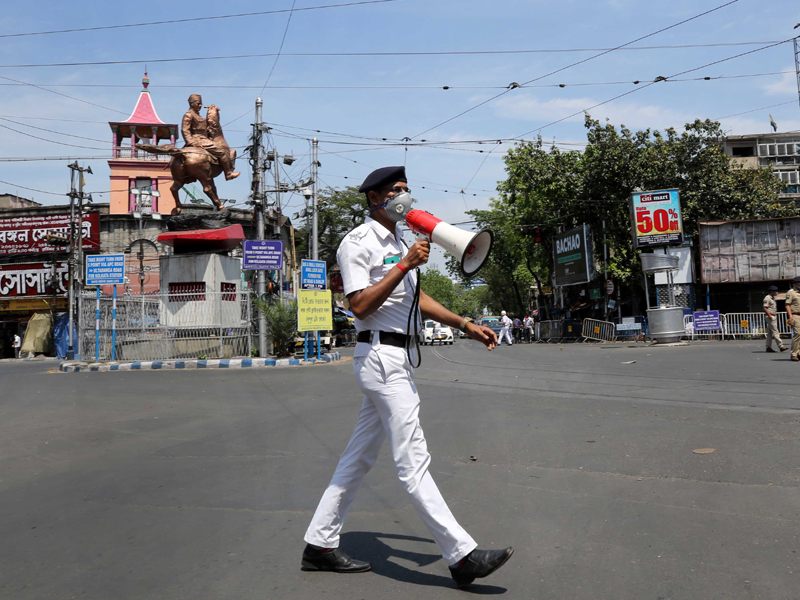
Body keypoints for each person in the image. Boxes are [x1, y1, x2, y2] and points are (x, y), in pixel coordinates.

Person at [302, 166, 513, 589]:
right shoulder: (357, 243)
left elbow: (417, 298)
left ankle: (319, 544)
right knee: (413, 462)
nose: (405, 195)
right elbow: (359, 305)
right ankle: (461, 555)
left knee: (357, 459)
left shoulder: (400, 240)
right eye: (396, 190)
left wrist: (464, 323)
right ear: (375, 199)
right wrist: (403, 265)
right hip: (380, 356)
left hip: (396, 356)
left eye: (405, 189)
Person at [182, 94, 240, 181]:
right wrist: (190, 141)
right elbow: (185, 130)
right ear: (191, 103)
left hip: (205, 139)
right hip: (198, 140)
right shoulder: (189, 115)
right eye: (198, 103)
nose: (200, 106)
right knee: (221, 152)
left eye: (201, 103)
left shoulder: (199, 116)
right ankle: (228, 173)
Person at [763, 285, 788, 353]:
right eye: (774, 291)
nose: (776, 292)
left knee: (770, 333)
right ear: (771, 291)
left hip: (773, 315)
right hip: (770, 316)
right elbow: (765, 308)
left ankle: (768, 347)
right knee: (775, 331)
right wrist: (770, 316)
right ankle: (781, 346)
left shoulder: (772, 298)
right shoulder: (767, 298)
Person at [785, 277, 800, 362]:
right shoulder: (791, 293)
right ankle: (793, 354)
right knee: (798, 334)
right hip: (795, 315)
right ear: (795, 284)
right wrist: (790, 317)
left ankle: (799, 353)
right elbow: (787, 305)